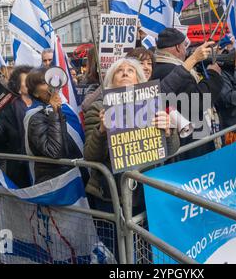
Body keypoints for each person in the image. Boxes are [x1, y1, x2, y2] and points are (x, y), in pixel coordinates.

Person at [83, 58, 180, 211]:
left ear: (139, 79)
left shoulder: (153, 104)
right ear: (111, 80)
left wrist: (168, 132)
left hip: (147, 190)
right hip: (111, 194)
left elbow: (172, 150)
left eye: (130, 70)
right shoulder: (97, 108)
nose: (125, 73)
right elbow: (90, 155)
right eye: (119, 71)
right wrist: (102, 130)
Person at [150, 28, 224, 159]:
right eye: (185, 46)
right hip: (191, 140)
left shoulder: (158, 66)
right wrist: (214, 75)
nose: (186, 50)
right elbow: (196, 102)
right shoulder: (171, 70)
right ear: (178, 47)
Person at [24, 68, 87, 184]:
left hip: (78, 172)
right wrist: (55, 113)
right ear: (35, 93)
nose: (49, 85)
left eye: (50, 80)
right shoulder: (34, 117)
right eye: (44, 82)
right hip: (59, 181)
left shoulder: (66, 107)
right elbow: (54, 151)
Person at [0, 66, 33, 187]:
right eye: (27, 81)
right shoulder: (8, 110)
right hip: (20, 170)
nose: (32, 84)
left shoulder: (44, 105)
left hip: (42, 168)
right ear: (18, 87)